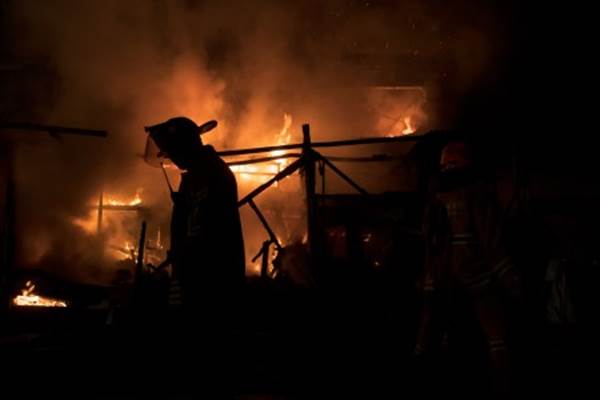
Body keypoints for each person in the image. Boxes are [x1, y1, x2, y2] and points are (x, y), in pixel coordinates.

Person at [415, 140, 521, 396]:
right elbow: (492, 246)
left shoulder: (434, 200)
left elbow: (428, 247)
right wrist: (515, 284)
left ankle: (421, 379)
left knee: (430, 339)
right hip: (475, 281)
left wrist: (427, 281)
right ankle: (504, 387)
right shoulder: (477, 196)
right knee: (497, 337)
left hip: (438, 284)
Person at [144, 116, 245, 312]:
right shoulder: (195, 175)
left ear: (185, 146)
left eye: (173, 151)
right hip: (193, 271)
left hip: (212, 277)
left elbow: (212, 229)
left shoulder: (214, 174)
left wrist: (186, 254)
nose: (171, 158)